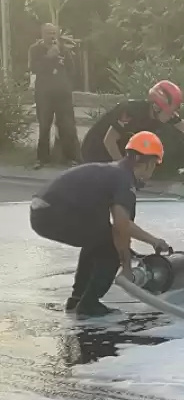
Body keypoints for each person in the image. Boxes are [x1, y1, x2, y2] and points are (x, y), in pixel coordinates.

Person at [30, 131, 171, 317]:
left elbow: (118, 229)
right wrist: (152, 242)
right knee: (108, 247)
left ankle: (77, 300)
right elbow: (122, 225)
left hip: (41, 213)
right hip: (54, 214)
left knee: (97, 240)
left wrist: (127, 259)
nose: (151, 173)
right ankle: (89, 305)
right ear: (148, 163)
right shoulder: (123, 180)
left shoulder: (114, 172)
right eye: (154, 167)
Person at [80, 80, 184, 163]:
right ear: (157, 107)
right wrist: (123, 170)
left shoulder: (163, 114)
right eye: (171, 111)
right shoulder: (130, 110)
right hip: (95, 151)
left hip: (115, 154)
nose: (174, 115)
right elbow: (109, 141)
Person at [27, 23, 80, 169]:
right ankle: (42, 159)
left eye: (53, 33)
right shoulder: (35, 49)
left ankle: (70, 158)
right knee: (44, 126)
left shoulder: (63, 49)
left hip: (62, 94)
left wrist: (66, 84)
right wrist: (48, 57)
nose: (51, 36)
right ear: (42, 34)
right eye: (48, 33)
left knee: (67, 126)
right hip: (44, 94)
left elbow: (72, 69)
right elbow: (33, 68)